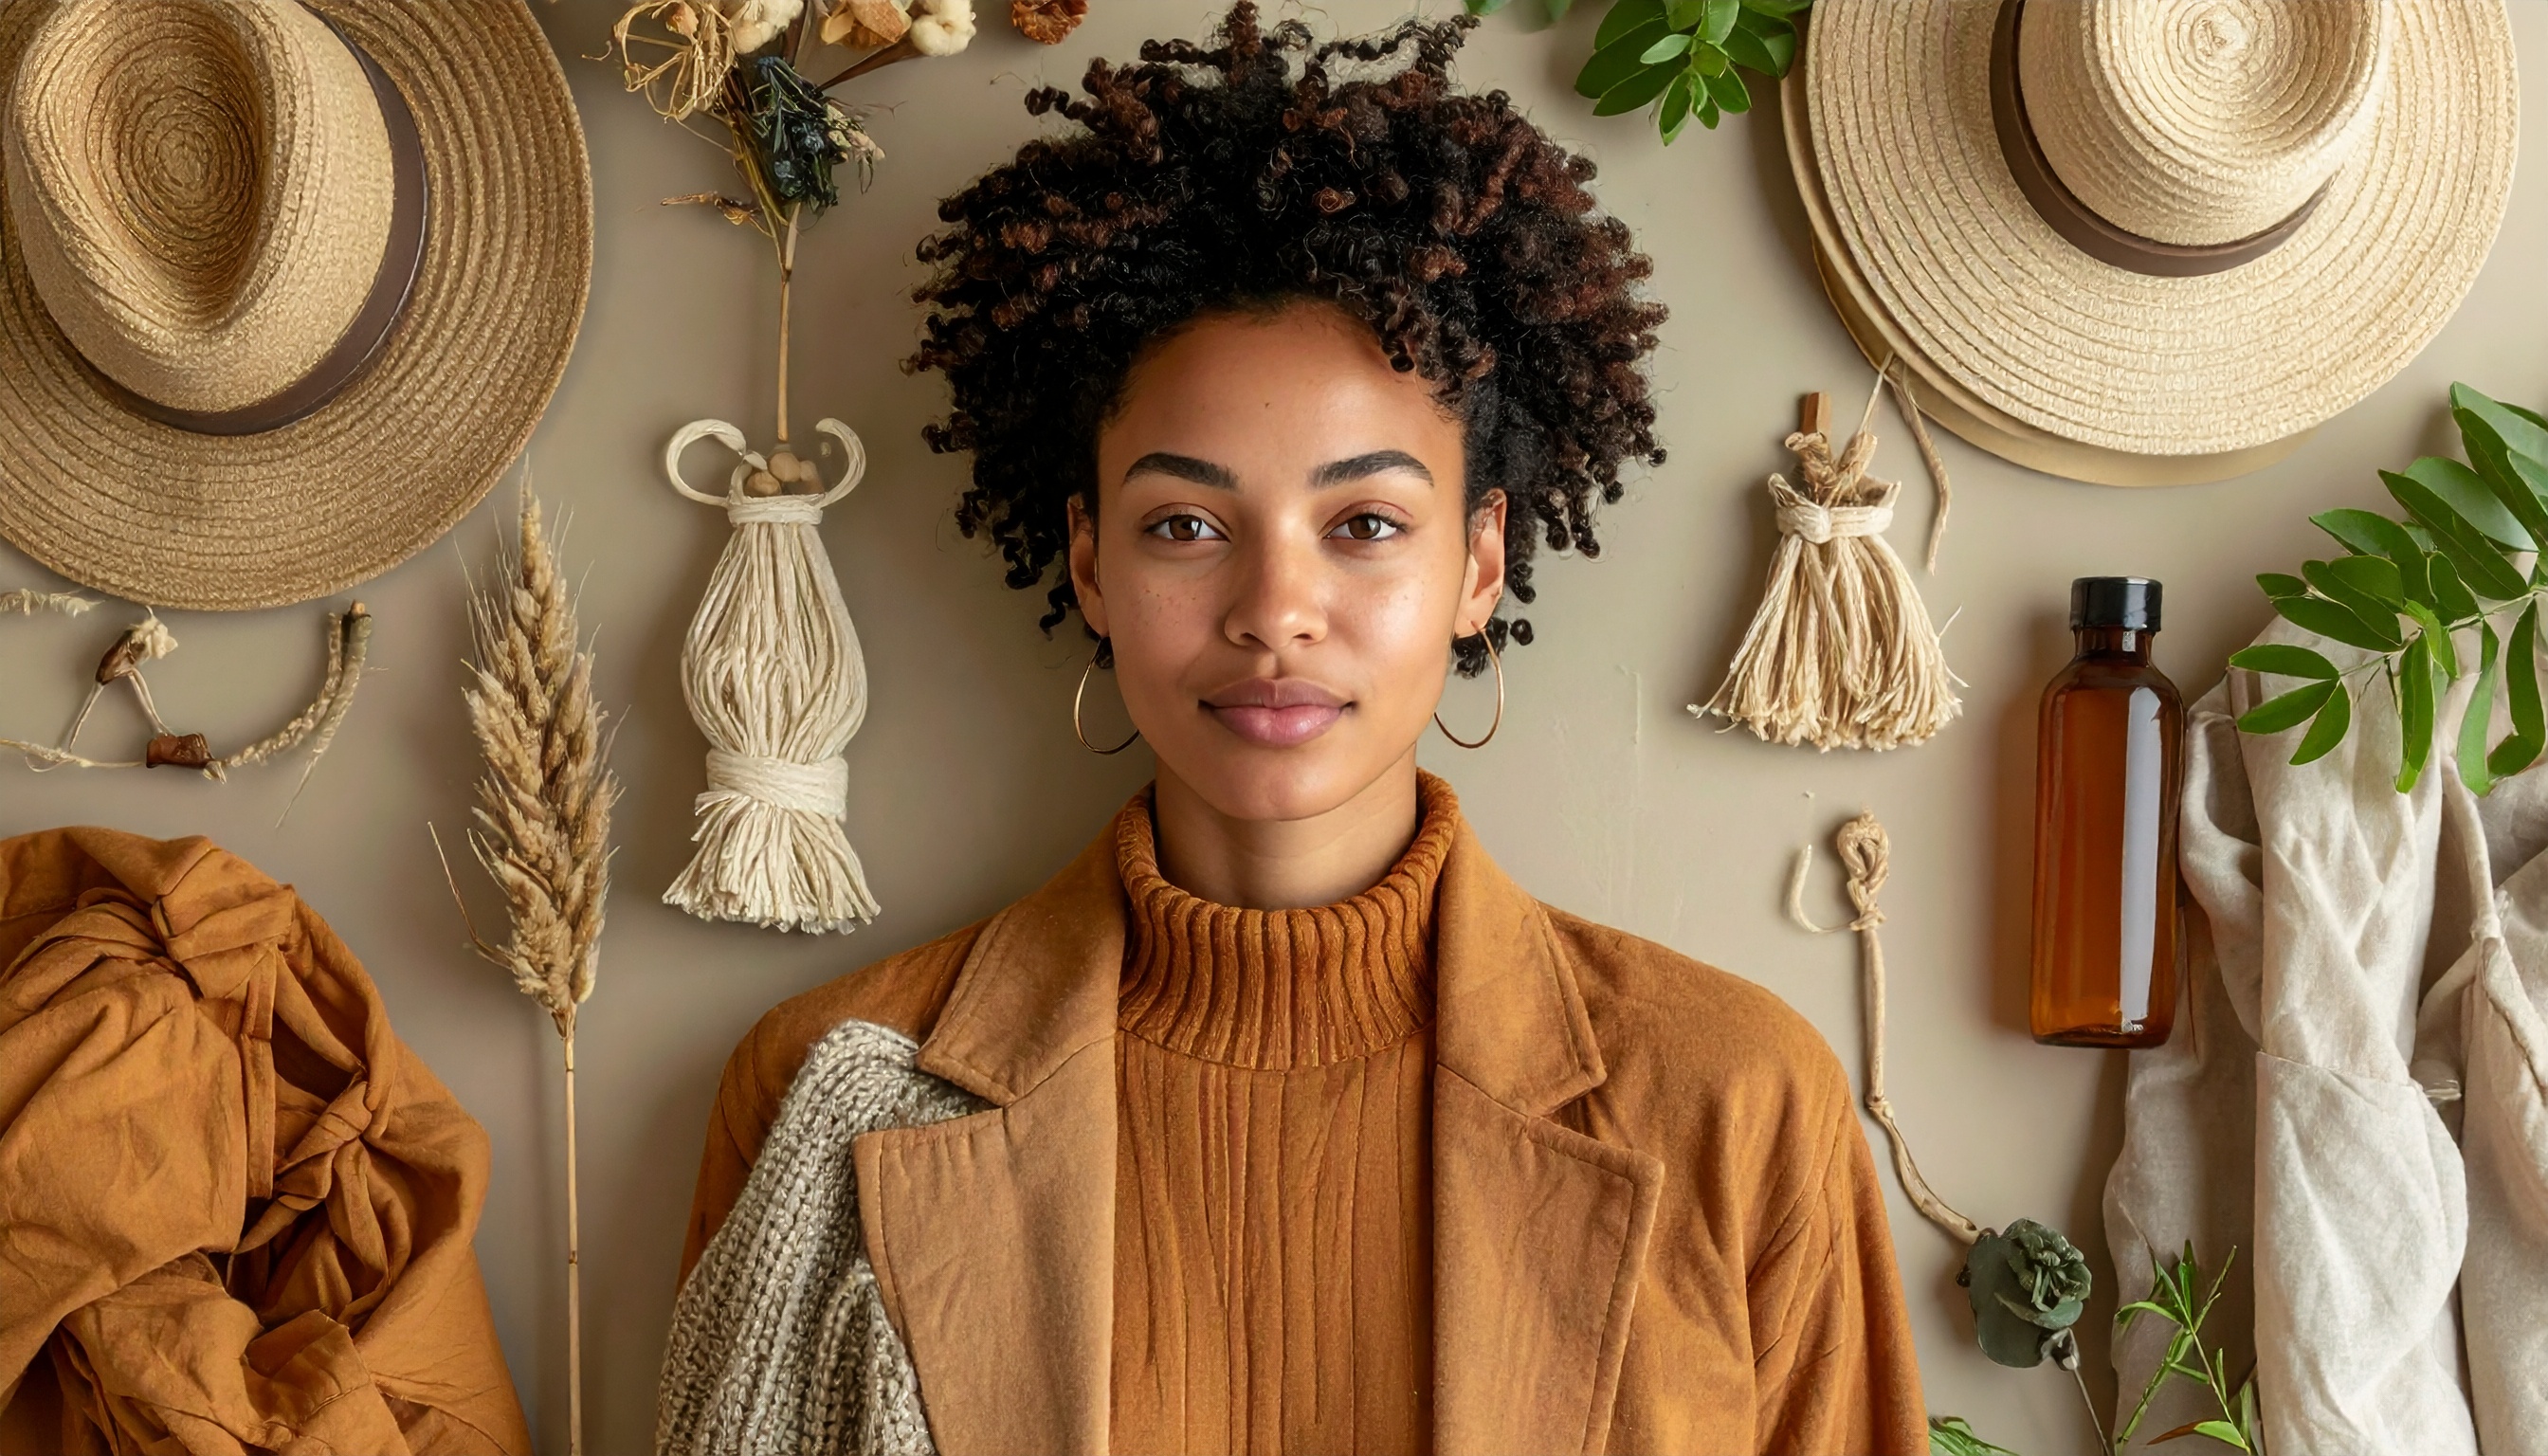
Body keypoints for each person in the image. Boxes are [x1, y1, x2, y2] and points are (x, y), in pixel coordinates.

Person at [661, 9, 1925, 1454]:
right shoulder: (823, 1088)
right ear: (1089, 564)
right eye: (1186, 524)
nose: (1276, 609)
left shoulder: (1739, 1101)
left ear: (1479, 565)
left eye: (1367, 524)